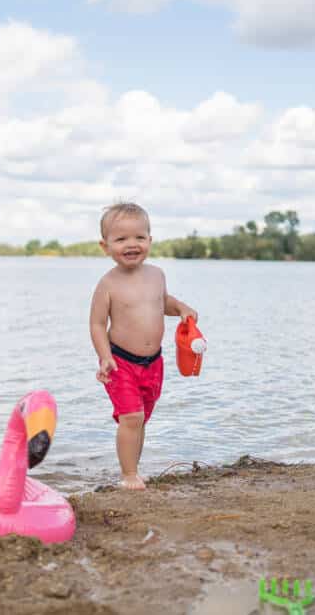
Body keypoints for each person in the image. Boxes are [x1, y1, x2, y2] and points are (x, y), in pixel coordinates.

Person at [88, 202, 197, 490]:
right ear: (105, 246)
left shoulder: (157, 275)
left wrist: (181, 308)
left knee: (140, 419)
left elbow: (164, 303)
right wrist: (104, 357)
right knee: (132, 417)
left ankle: (133, 469)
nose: (131, 244)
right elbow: (97, 324)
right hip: (120, 361)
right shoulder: (107, 284)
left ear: (150, 240)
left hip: (153, 363)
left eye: (139, 237)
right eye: (121, 239)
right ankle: (128, 475)